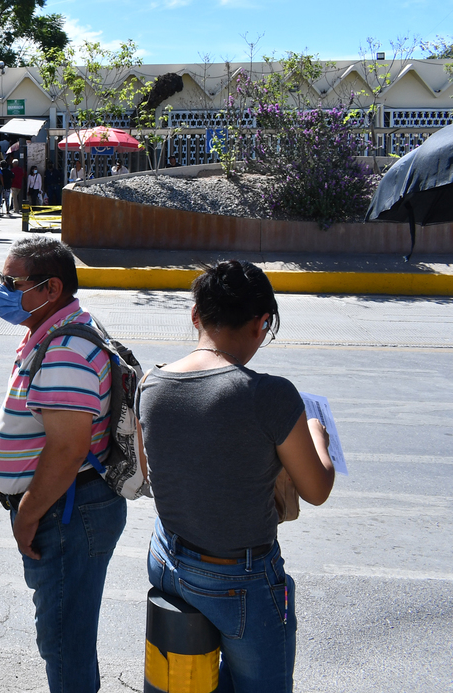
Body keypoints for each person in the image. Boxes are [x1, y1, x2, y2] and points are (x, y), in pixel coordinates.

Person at [141, 261, 335, 693]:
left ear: (196, 315)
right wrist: (318, 439)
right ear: (260, 323)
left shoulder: (152, 383)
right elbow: (317, 489)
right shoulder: (269, 395)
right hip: (239, 580)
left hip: (168, 558)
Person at [0, 236, 126, 693]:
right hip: (65, 506)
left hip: (67, 511)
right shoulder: (52, 329)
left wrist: (27, 516)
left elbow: (67, 450)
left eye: (13, 282)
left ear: (51, 288)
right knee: (68, 637)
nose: (3, 290)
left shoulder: (66, 347)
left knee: (65, 642)